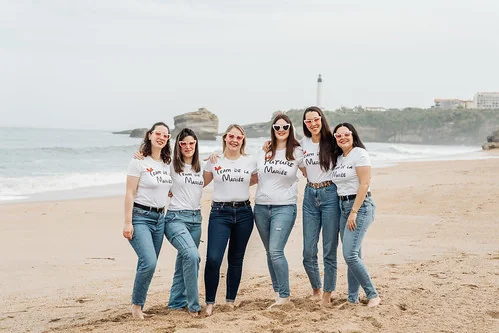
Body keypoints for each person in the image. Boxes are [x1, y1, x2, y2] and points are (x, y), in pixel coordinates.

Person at [203, 124, 257, 316]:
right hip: (220, 213)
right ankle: (210, 302)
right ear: (225, 137)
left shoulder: (250, 161)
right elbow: (197, 182)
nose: (235, 140)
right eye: (231, 136)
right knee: (214, 258)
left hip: (244, 213)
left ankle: (230, 301)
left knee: (236, 258)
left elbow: (257, 178)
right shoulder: (215, 160)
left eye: (239, 137)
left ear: (243, 140)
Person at [123, 122, 173, 319]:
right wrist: (128, 222)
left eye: (165, 135)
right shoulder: (138, 161)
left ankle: (139, 306)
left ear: (168, 139)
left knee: (146, 263)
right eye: (158, 133)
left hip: (160, 219)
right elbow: (129, 192)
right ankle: (136, 308)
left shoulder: (167, 163)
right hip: (141, 217)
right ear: (150, 135)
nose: (161, 137)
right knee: (149, 262)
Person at [254, 114, 305, 307]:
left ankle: (284, 295)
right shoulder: (265, 150)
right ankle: (277, 293)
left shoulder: (297, 152)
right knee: (269, 252)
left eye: (285, 127)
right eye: (277, 127)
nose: (281, 130)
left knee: (276, 251)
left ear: (290, 128)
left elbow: (313, 170)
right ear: (273, 129)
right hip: (260, 207)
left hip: (284, 207)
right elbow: (254, 175)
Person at [331, 122, 381, 307]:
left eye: (346, 134)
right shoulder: (340, 158)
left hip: (360, 207)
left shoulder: (360, 154)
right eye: (338, 135)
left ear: (353, 135)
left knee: (350, 255)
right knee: (354, 255)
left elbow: (364, 184)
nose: (342, 137)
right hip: (342, 206)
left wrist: (354, 212)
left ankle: (372, 294)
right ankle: (352, 298)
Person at [300, 106, 340, 306]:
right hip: (309, 195)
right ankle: (315, 288)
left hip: (330, 194)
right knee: (308, 251)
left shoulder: (332, 141)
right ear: (305, 124)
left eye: (316, 119)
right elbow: (282, 148)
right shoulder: (303, 143)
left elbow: (351, 152)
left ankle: (327, 293)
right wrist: (266, 145)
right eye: (308, 121)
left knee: (329, 249)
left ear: (321, 119)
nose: (313, 124)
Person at [164, 128, 205, 316]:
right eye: (183, 143)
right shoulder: (170, 165)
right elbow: (150, 174)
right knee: (192, 256)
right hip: (175, 218)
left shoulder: (201, 166)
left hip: (196, 220)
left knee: (184, 262)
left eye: (191, 143)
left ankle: (175, 302)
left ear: (196, 144)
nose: (188, 147)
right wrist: (140, 154)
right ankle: (194, 306)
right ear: (178, 146)